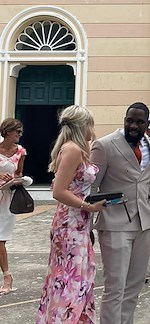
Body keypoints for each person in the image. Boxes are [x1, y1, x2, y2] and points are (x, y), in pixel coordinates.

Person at [37, 106, 106, 322]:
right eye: (90, 125)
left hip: (77, 223)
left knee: (76, 275)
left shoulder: (77, 148)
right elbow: (59, 191)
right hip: (70, 223)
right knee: (70, 277)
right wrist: (89, 207)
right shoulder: (73, 149)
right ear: (82, 126)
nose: (92, 131)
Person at [91, 102, 150, 324]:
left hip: (144, 223)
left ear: (147, 124)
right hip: (114, 223)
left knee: (134, 285)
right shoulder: (104, 145)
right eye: (130, 120)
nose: (133, 126)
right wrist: (88, 223)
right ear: (124, 120)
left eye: (139, 122)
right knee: (115, 287)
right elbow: (91, 187)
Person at [0, 118, 26, 295]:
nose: (20, 135)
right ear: (8, 131)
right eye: (17, 131)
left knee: (0, 239)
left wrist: (17, 180)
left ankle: (7, 276)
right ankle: (7, 275)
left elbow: (19, 173)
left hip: (7, 198)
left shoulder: (21, 151)